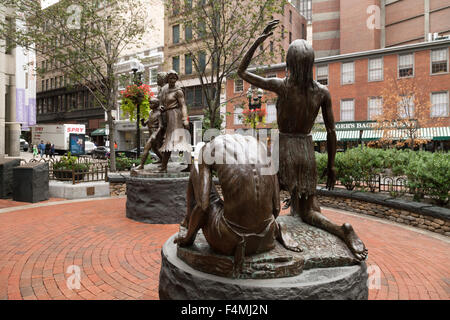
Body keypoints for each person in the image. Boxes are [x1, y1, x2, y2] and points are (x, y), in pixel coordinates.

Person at [237, 20, 367, 261]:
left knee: (269, 203)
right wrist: (331, 165)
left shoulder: (282, 86)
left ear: (290, 63)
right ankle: (342, 229)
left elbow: (242, 72)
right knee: (308, 211)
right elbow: (331, 131)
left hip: (284, 146)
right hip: (306, 151)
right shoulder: (322, 92)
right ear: (311, 64)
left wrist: (258, 41)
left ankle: (279, 227)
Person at [175, 134, 301, 274]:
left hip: (230, 240)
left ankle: (188, 222)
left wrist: (187, 239)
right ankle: (278, 230)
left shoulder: (206, 150)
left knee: (196, 169)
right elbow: (276, 208)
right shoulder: (262, 147)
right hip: (267, 235)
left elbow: (203, 207)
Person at [158, 70, 191, 172]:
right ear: (167, 79)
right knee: (174, 139)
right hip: (168, 116)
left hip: (175, 115)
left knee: (172, 139)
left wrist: (185, 119)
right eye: (170, 78)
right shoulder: (165, 90)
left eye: (174, 78)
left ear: (176, 79)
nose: (172, 80)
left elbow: (183, 105)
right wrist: (161, 107)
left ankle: (164, 167)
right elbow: (161, 103)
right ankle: (190, 166)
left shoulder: (178, 91)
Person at [135, 97, 164, 169]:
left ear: (156, 104)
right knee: (155, 149)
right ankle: (163, 160)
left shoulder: (159, 113)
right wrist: (142, 121)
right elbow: (145, 124)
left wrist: (155, 134)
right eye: (149, 103)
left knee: (146, 148)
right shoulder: (150, 113)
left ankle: (141, 165)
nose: (149, 105)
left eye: (151, 103)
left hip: (155, 133)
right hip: (151, 132)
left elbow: (161, 126)